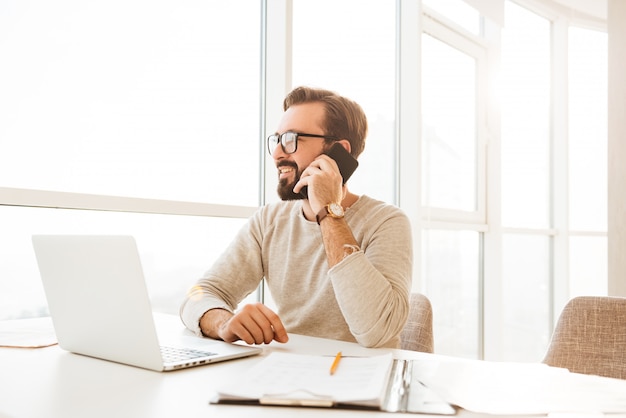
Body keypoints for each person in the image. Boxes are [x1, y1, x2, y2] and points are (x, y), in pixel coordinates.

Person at [180, 86, 412, 348]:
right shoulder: (269, 220)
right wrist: (222, 323)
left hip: (365, 380)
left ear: (338, 152)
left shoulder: (387, 222)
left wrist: (328, 210)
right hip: (289, 373)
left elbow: (376, 331)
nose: (278, 153)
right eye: (276, 140)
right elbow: (197, 296)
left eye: (291, 140)